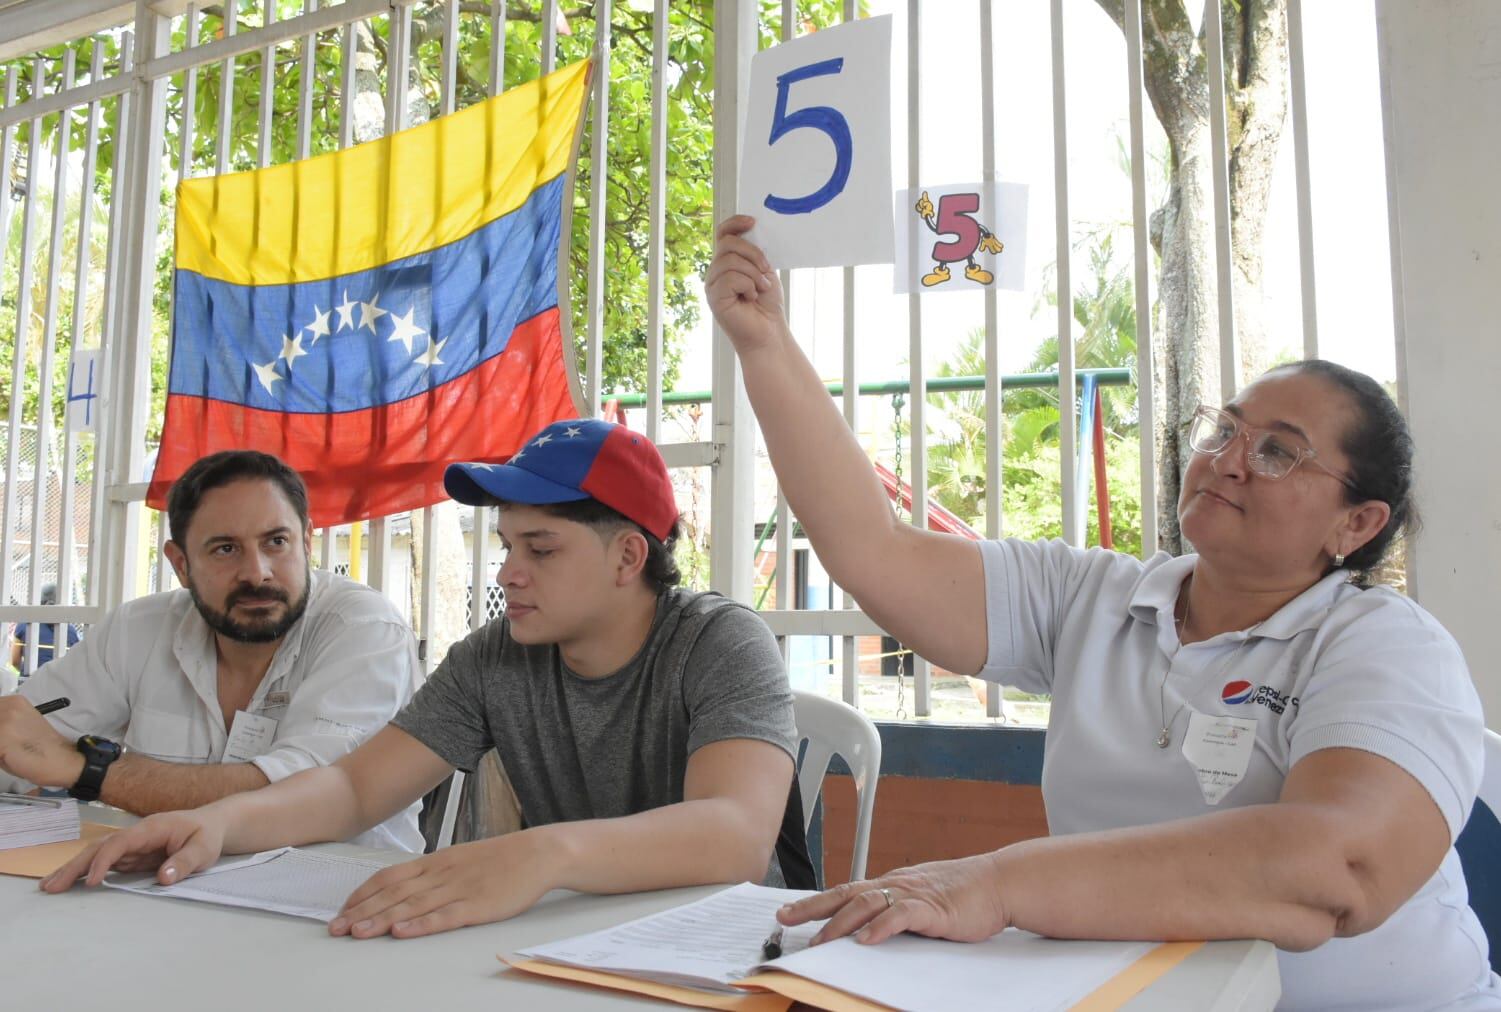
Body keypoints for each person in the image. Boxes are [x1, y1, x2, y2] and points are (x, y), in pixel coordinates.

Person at [701, 215, 1500, 1010]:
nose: (1225, 461)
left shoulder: (1384, 645)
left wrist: (994, 883)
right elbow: (874, 550)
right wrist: (764, 343)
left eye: (1276, 451)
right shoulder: (1098, 597)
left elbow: (1337, 866)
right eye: (1225, 430)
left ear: (1355, 523)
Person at [43, 419, 802, 941]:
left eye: (540, 549)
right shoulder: (495, 658)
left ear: (628, 557)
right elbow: (352, 791)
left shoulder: (718, 642)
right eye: (506, 545)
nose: (509, 573)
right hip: (572, 935)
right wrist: (219, 825)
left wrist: (540, 855)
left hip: (725, 944)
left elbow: (732, 837)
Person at [0, 451, 423, 851]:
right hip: (163, 884)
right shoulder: (138, 629)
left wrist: (90, 770)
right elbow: (24, 744)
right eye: (225, 549)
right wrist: (29, 757)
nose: (257, 573)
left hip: (339, 896)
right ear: (180, 565)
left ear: (307, 543)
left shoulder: (365, 628)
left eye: (276, 542)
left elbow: (301, 795)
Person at [10, 584, 81, 680]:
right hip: (59, 683)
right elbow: (75, 663)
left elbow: (14, 661)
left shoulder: (24, 625)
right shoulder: (71, 631)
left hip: (29, 682)